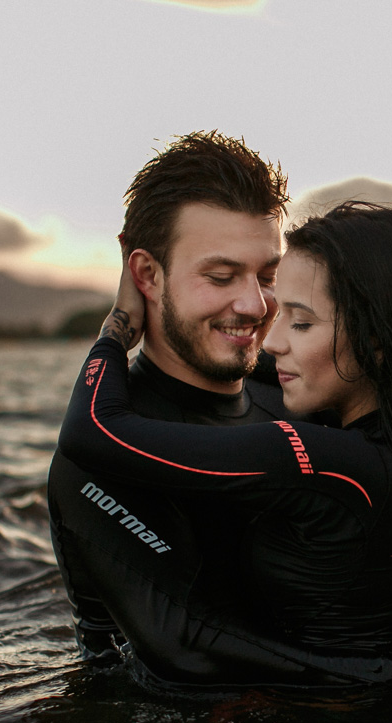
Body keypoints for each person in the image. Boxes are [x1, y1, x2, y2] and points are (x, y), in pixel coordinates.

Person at [57, 202, 392, 686]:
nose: (271, 341)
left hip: (328, 718)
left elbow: (92, 431)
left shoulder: (323, 459)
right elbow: (261, 363)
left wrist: (117, 328)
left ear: (378, 340)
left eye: (302, 323)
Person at [47, 130, 295, 662]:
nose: (255, 305)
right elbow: (186, 653)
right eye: (222, 276)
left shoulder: (293, 394)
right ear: (147, 276)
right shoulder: (101, 453)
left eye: (268, 275)